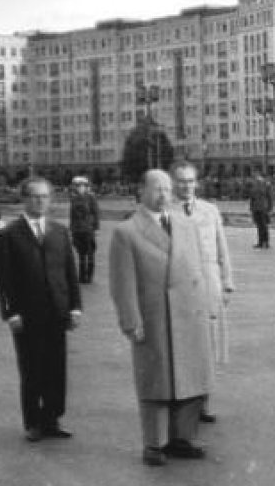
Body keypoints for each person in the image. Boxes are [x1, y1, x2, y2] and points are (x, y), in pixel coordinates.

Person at [109, 169, 214, 466]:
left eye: (168, 189)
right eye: (157, 189)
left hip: (189, 314)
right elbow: (122, 284)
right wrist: (130, 321)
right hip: (154, 318)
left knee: (190, 378)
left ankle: (183, 437)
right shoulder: (127, 232)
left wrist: (205, 306)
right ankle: (154, 443)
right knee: (156, 380)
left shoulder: (185, 224)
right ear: (140, 191)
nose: (164, 195)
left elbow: (198, 268)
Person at [0, 176, 82, 442]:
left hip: (57, 312)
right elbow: (2, 278)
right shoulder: (9, 234)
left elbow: (70, 273)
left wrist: (75, 307)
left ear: (50, 200)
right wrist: (10, 312)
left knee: (56, 367)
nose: (40, 201)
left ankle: (52, 419)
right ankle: (33, 422)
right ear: (25, 199)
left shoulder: (59, 231)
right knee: (32, 369)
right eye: (34, 196)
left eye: (44, 197)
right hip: (26, 314)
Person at [170, 160, 235, 425]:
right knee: (183, 346)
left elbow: (222, 247)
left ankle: (204, 402)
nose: (186, 186)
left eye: (190, 181)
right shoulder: (166, 212)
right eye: (181, 181)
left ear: (196, 183)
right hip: (180, 288)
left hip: (208, 284)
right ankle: (184, 402)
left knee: (207, 346)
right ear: (173, 183)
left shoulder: (210, 211)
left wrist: (227, 282)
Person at [69, 176, 100, 284]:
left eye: (81, 185)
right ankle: (82, 276)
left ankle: (89, 276)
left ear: (86, 186)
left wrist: (96, 228)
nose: (78, 188)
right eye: (77, 186)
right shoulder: (74, 198)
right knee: (81, 253)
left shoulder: (91, 198)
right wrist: (71, 229)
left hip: (88, 229)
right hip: (77, 230)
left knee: (90, 253)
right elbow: (72, 215)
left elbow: (95, 213)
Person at [247, 173, 275, 249]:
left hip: (264, 208)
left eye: (259, 177)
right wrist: (251, 208)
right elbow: (252, 198)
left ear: (262, 178)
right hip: (256, 208)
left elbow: (270, 197)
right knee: (259, 226)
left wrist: (270, 208)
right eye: (256, 178)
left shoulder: (267, 185)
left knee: (264, 226)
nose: (257, 179)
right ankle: (260, 242)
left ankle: (266, 243)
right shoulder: (254, 186)